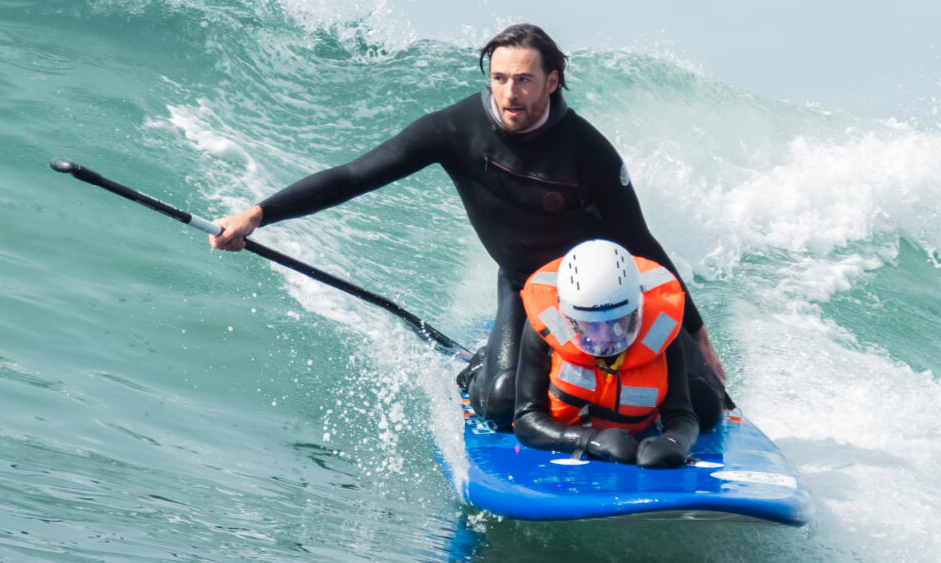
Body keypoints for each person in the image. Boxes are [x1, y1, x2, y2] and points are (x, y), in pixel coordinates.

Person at [209, 23, 729, 423]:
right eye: (499, 79)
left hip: (608, 296)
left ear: (551, 80)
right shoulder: (456, 129)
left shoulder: (587, 150)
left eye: (524, 80)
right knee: (502, 404)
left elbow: (639, 241)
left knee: (704, 406)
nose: (509, 95)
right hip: (529, 287)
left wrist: (697, 333)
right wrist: (258, 215)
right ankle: (482, 364)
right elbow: (353, 176)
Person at [510, 240, 719, 468]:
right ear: (568, 318)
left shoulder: (661, 330)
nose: (606, 335)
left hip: (639, 426)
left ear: (638, 309)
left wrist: (675, 441)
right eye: (591, 324)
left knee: (707, 408)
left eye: (618, 321)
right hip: (567, 425)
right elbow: (526, 421)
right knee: (500, 397)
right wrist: (590, 439)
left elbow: (681, 414)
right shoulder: (546, 327)